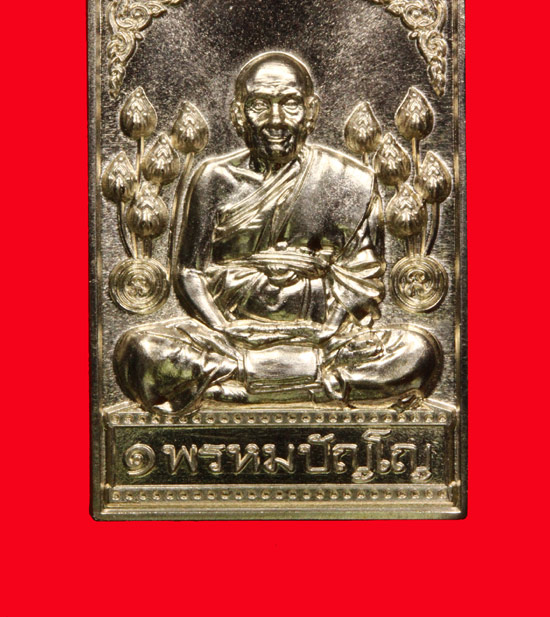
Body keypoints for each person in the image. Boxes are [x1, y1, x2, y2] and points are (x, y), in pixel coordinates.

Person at [114, 52, 441, 413]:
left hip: (325, 338)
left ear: (311, 112)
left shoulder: (349, 180)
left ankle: (242, 384)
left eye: (290, 104)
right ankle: (316, 384)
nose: (276, 120)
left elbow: (361, 277)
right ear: (238, 114)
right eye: (260, 104)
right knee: (142, 351)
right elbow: (189, 271)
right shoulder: (213, 178)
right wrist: (222, 327)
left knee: (418, 352)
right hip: (227, 337)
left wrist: (330, 326)